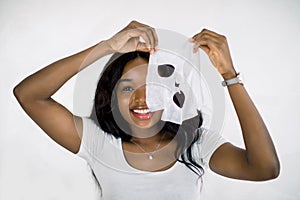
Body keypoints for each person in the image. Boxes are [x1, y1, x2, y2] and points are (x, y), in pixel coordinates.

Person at [13, 20, 280, 199]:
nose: (142, 100)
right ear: (111, 97)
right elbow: (29, 95)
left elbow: (265, 168)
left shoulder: (195, 144)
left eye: (153, 87)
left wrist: (228, 74)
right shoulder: (97, 141)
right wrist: (106, 47)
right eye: (128, 88)